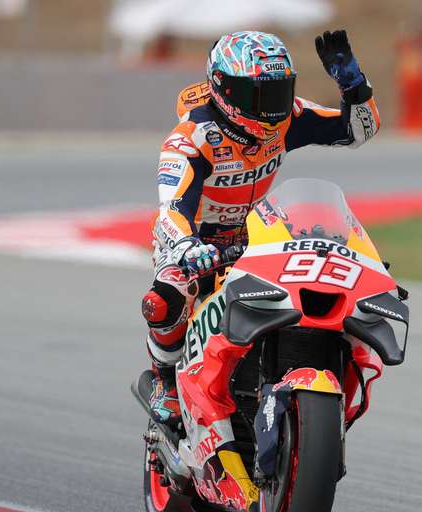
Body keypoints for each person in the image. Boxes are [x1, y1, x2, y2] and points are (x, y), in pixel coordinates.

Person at [141, 30, 380, 427]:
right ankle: (165, 382)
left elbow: (357, 131)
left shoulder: (288, 120)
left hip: (256, 233)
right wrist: (185, 246)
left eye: (280, 93)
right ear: (226, 92)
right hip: (195, 240)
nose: (274, 108)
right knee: (167, 296)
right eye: (261, 96)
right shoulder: (190, 140)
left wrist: (353, 85)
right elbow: (171, 208)